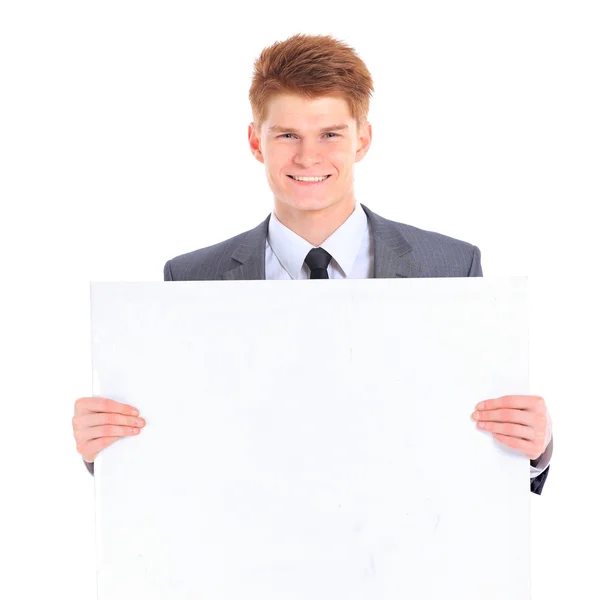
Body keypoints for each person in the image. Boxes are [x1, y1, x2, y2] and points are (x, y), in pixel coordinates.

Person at [72, 33, 553, 494]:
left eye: (329, 133)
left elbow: (467, 437)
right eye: (287, 134)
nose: (308, 156)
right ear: (255, 142)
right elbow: (180, 443)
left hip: (405, 551)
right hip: (252, 553)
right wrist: (107, 453)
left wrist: (536, 448)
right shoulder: (191, 277)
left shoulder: (450, 265)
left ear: (362, 140)